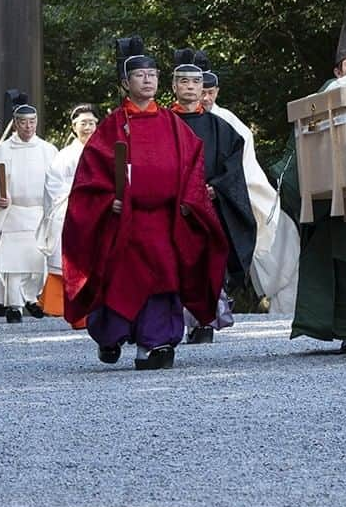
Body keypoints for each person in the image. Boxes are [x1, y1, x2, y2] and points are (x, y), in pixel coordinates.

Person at [63, 38, 229, 370]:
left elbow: (192, 163)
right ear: (126, 82)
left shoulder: (172, 123)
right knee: (122, 278)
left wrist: (191, 199)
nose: (148, 80)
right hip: (126, 221)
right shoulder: (111, 127)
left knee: (164, 279)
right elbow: (89, 177)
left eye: (153, 74)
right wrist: (108, 200)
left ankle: (157, 344)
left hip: (166, 220)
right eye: (140, 75)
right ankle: (110, 336)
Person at [278, 16, 346, 353]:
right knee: (343, 263)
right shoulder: (325, 98)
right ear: (338, 72)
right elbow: (302, 150)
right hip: (339, 198)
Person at [197, 51, 301, 319]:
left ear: (217, 92)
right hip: (188, 200)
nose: (205, 97)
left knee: (282, 234)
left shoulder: (230, 122)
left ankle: (280, 310)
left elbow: (243, 166)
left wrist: (219, 188)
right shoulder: (176, 120)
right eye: (201, 90)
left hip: (227, 197)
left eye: (210, 91)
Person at [169, 51, 257, 343]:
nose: (191, 87)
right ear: (174, 87)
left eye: (196, 82)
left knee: (208, 263)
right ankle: (170, 323)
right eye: (184, 81)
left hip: (208, 206)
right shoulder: (163, 123)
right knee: (172, 262)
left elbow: (234, 162)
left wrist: (217, 187)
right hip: (171, 206)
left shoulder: (221, 127)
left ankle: (204, 321)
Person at [0, 100, 58, 323]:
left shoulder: (48, 150)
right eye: (23, 122)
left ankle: (31, 297)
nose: (28, 127)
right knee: (13, 262)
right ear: (15, 124)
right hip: (12, 212)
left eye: (32, 122)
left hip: (39, 212)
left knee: (37, 262)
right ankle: (14, 305)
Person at [37, 105, 98, 318]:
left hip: (99, 212)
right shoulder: (65, 156)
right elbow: (54, 186)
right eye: (83, 123)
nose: (88, 127)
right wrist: (77, 198)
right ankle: (63, 307)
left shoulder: (104, 151)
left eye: (91, 123)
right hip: (70, 211)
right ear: (74, 127)